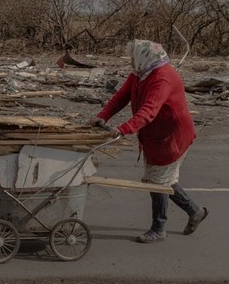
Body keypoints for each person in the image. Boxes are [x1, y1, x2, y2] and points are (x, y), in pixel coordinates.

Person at [89, 39, 208, 243]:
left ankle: (159, 227)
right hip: (155, 136)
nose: (130, 62)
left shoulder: (163, 78)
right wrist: (103, 116)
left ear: (143, 58)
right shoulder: (140, 73)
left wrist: (123, 129)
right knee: (163, 179)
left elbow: (148, 111)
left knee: (158, 182)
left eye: (132, 58)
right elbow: (121, 97)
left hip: (172, 136)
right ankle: (194, 211)